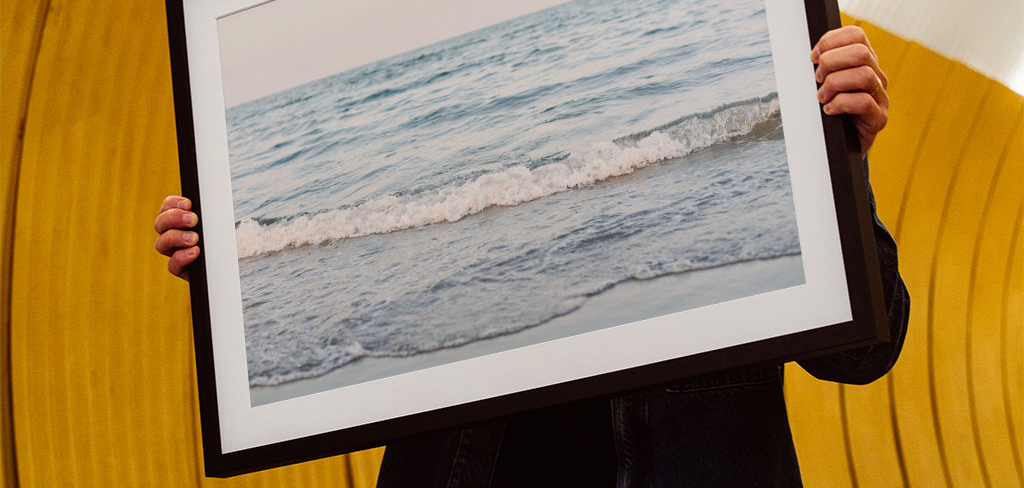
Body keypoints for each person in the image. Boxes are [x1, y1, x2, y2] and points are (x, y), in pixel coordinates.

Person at [155, 25, 909, 486]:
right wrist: (234, 272)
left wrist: (840, 159)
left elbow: (865, 353)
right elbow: (340, 340)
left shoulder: (755, 172)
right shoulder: (436, 250)